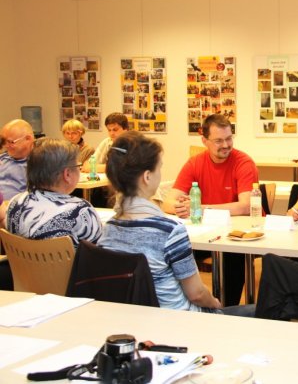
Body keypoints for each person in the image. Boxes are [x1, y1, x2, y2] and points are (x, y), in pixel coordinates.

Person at [99, 131, 224, 313]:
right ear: (147, 176)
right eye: (159, 168)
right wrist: (215, 303)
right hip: (180, 321)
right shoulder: (169, 230)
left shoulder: (110, 228)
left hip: (135, 319)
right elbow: (197, 294)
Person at [162, 114, 258, 306]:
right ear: (204, 141)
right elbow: (167, 203)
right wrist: (181, 207)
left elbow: (245, 205)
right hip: (203, 232)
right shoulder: (195, 163)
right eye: (218, 141)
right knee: (171, 250)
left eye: (229, 138)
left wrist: (199, 208)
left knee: (231, 259)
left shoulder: (243, 162)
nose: (226, 145)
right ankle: (184, 305)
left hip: (236, 234)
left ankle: (225, 308)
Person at [4, 139, 101, 248]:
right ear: (67, 174)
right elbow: (97, 254)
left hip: (20, 265)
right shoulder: (81, 211)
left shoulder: (15, 203)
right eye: (78, 166)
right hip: (67, 265)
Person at [0, 119, 35, 200]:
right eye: (4, 142)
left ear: (28, 139)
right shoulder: (3, 158)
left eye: (11, 142)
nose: (6, 146)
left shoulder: (38, 164)